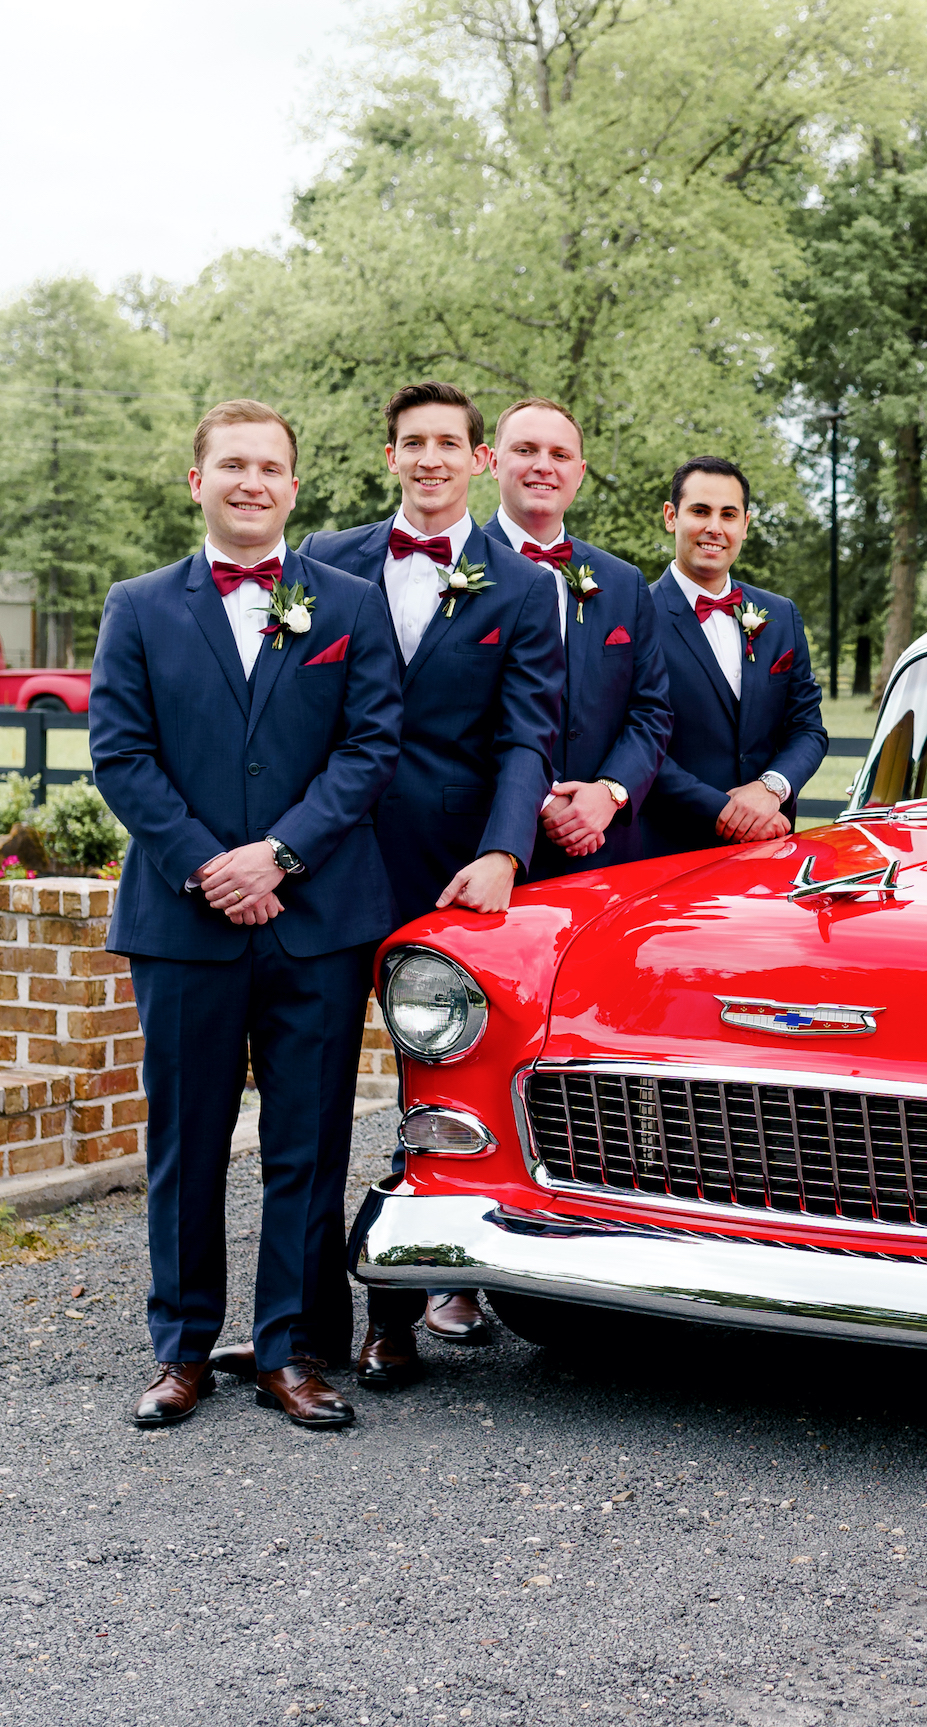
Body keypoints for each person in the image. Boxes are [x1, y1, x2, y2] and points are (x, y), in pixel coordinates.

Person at [94, 400, 402, 1432]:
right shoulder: (138, 606)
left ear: (294, 486)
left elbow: (369, 747)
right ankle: (182, 1347)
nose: (251, 482)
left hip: (316, 918)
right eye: (232, 465)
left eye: (270, 467)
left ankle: (287, 1347)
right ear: (198, 481)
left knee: (305, 1144)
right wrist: (208, 867)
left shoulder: (349, 605)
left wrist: (278, 853)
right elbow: (120, 754)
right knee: (186, 1138)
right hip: (183, 924)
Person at [300, 379, 564, 1380]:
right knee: (316, 1092)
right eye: (412, 442)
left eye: (449, 443)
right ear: (391, 455)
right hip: (330, 855)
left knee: (436, 1090)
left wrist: (503, 849)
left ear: (478, 459)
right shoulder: (323, 561)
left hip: (450, 871)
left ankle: (395, 1315)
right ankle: (305, 1317)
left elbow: (527, 732)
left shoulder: (522, 584)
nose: (430, 459)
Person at [479, 397, 673, 876]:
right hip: (484, 843)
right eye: (526, 450)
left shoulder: (624, 582)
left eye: (560, 455)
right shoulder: (455, 572)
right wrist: (540, 798)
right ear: (494, 461)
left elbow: (651, 709)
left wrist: (609, 792)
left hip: (605, 847)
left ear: (580, 472)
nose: (543, 466)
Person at [641, 457, 827, 856]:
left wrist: (770, 789)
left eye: (728, 514)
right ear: (671, 517)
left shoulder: (780, 615)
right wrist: (728, 810)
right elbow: (631, 739)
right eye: (700, 511)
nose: (715, 528)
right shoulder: (635, 614)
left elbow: (807, 729)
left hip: (771, 847)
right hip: (667, 850)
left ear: (744, 525)